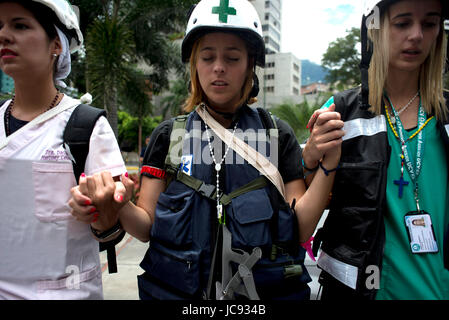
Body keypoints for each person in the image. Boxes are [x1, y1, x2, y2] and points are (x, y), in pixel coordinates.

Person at [69, 0, 343, 300]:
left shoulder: (277, 135)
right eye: (207, 56)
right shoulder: (169, 135)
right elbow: (146, 226)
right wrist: (118, 202)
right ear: (194, 65)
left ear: (250, 65)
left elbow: (301, 228)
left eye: (233, 58)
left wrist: (330, 163)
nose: (219, 67)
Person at [303, 0, 449, 300]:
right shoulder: (340, 112)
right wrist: (309, 160)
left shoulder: (445, 117)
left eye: (430, 23)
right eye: (402, 23)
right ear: (374, 31)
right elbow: (305, 205)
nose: (417, 35)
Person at [0, 0, 126, 299]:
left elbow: (112, 225)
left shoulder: (85, 126)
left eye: (20, 25)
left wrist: (102, 211)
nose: (4, 35)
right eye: (0, 26)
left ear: (56, 43)